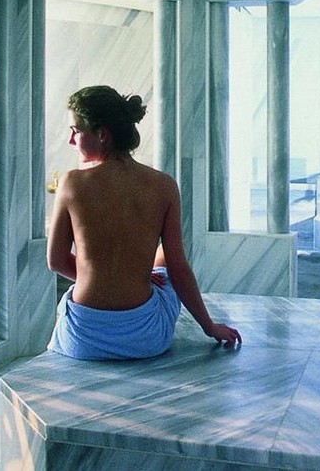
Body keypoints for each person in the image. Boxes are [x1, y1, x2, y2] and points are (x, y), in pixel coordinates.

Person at [46, 85, 241, 360]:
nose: (70, 140)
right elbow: (179, 269)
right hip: (145, 338)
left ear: (102, 135)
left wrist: (107, 278)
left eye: (76, 131)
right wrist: (209, 327)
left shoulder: (71, 183)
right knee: (164, 259)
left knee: (75, 294)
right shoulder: (164, 186)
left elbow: (55, 261)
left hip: (83, 338)